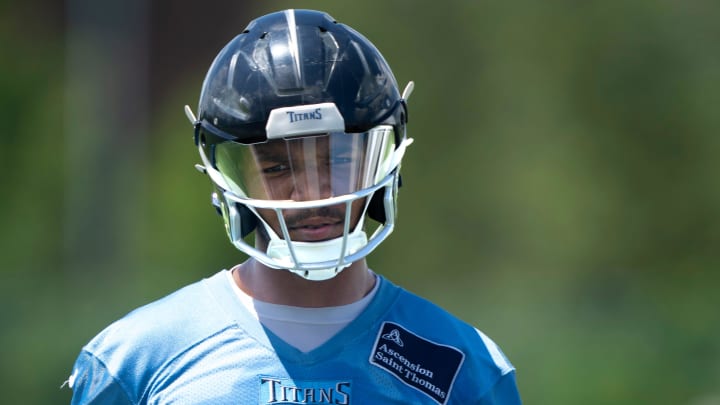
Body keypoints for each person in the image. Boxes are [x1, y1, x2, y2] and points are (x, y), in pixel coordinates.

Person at [67, 9, 522, 404]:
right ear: (229, 173)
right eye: (278, 167)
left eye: (339, 158)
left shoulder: (465, 366)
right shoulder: (136, 361)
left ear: (385, 156)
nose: (311, 193)